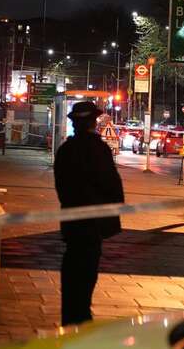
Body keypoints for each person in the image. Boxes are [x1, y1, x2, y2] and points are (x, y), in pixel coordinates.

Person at [54, 101, 124, 326]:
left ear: (74, 124)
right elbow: (111, 184)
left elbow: (61, 186)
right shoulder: (99, 150)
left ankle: (70, 317)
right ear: (93, 122)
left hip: (73, 222)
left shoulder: (65, 150)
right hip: (93, 224)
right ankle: (81, 319)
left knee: (72, 268)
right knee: (87, 271)